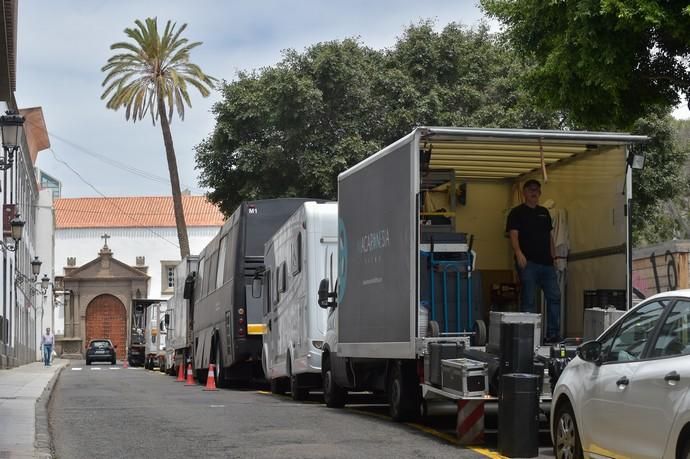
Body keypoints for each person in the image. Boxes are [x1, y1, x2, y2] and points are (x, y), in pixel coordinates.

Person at [506, 179, 561, 343]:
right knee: (529, 299)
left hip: (547, 263)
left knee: (555, 296)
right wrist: (518, 253)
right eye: (531, 190)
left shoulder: (544, 212)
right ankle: (528, 336)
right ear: (524, 193)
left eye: (537, 190)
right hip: (528, 262)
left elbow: (549, 236)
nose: (534, 193)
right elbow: (513, 234)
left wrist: (555, 256)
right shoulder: (516, 212)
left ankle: (553, 334)